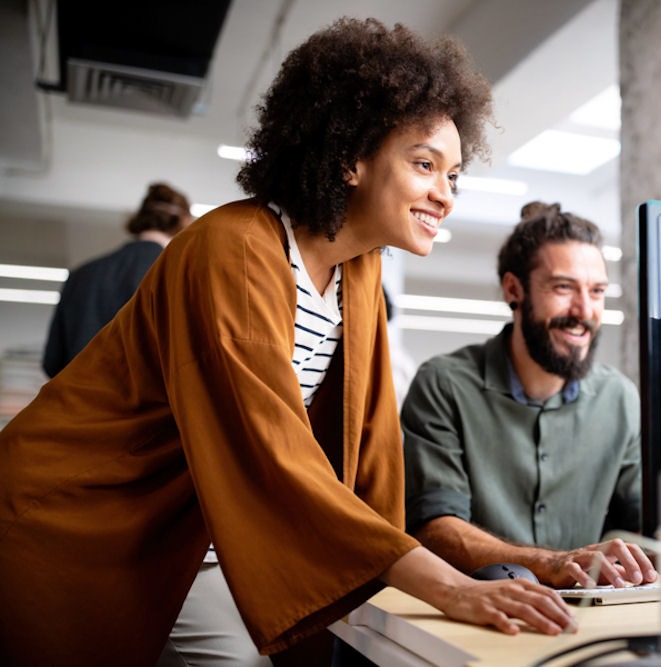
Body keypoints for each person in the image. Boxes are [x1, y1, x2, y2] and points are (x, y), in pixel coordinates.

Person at [0, 18, 577, 667]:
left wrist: (416, 573)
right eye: (424, 164)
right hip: (82, 518)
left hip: (195, 536)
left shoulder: (359, 273)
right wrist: (444, 584)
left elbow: (372, 454)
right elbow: (273, 447)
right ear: (349, 157)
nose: (445, 194)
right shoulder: (234, 250)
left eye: (453, 174)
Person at [402, 201, 660, 589]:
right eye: (563, 287)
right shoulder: (444, 385)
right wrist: (552, 563)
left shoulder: (619, 398)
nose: (584, 310)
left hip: (589, 616)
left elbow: (645, 522)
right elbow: (435, 530)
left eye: (597, 291)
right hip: (474, 612)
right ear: (514, 289)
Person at [42, 182, 193, 377]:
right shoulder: (177, 276)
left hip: (77, 402)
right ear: (186, 222)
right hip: (143, 405)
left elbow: (52, 362)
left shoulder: (81, 275)